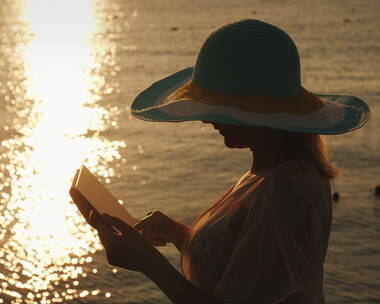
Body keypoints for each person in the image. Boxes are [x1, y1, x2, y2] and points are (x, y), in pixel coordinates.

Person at [87, 19, 370, 304]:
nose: (204, 118)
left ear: (251, 113)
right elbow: (246, 270)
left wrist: (149, 263)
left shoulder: (286, 188)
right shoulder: (270, 173)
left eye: (216, 108)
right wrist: (180, 235)